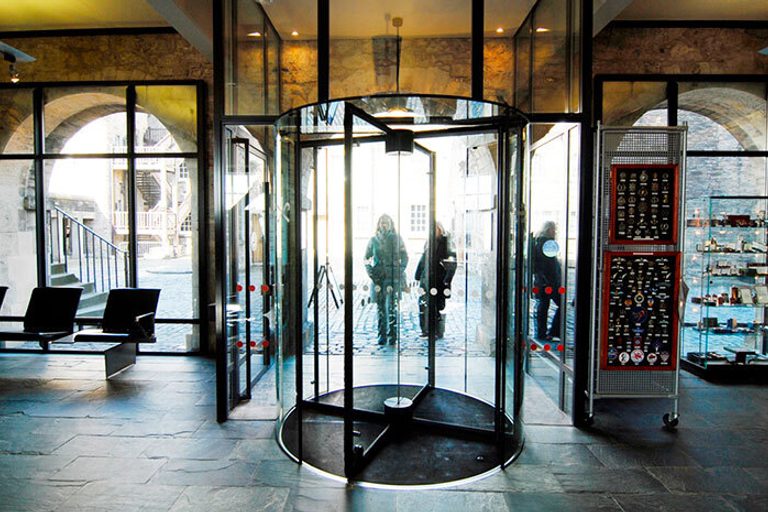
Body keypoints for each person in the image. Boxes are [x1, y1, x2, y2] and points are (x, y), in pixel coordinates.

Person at [365, 214, 409, 345]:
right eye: (382, 222)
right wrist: (371, 273)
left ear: (391, 224)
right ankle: (382, 335)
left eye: (386, 222)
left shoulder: (397, 239)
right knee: (380, 309)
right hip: (379, 278)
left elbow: (405, 257)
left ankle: (393, 335)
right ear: (378, 224)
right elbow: (366, 258)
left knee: (392, 307)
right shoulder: (373, 240)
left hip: (393, 278)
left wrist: (399, 271)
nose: (384, 224)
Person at [415, 222, 456, 339]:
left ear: (440, 229)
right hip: (426, 278)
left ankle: (438, 331)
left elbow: (452, 263)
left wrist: (447, 279)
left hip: (439, 279)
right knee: (423, 304)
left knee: (437, 306)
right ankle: (426, 330)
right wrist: (418, 275)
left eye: (436, 229)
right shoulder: (428, 242)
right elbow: (423, 259)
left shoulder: (446, 242)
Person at [533, 220, 562, 341]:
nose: (555, 231)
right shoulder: (547, 243)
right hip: (549, 282)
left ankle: (542, 333)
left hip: (543, 281)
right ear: (549, 230)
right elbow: (548, 265)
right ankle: (552, 332)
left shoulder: (539, 242)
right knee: (559, 305)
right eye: (553, 229)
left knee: (543, 306)